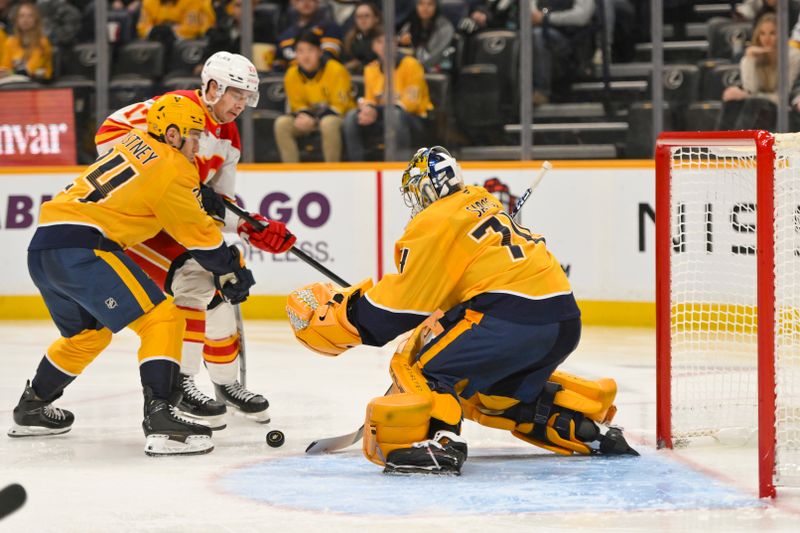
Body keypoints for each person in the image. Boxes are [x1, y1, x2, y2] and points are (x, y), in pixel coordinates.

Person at [287, 146, 638, 475]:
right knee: (492, 395)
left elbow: (400, 305)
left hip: (508, 321)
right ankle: (589, 430)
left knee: (425, 369)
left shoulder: (435, 221)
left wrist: (347, 314)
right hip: (561, 321)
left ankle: (440, 443)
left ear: (425, 190)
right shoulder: (482, 202)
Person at [8, 94, 256, 456]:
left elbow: (151, 188)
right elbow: (200, 240)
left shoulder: (132, 142)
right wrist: (233, 268)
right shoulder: (175, 167)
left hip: (44, 245)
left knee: (88, 335)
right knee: (163, 318)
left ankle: (31, 407)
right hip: (84, 247)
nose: (198, 144)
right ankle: (161, 420)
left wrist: (200, 196)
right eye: (192, 135)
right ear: (171, 135)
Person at [95, 51, 295, 430]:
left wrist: (252, 226)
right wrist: (170, 175)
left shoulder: (229, 137)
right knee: (197, 280)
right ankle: (180, 386)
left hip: (178, 222)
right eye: (236, 93)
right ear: (214, 86)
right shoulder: (177, 108)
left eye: (246, 97)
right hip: (143, 221)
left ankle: (225, 384)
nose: (240, 104)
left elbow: (219, 206)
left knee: (219, 290)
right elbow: (107, 133)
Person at [342, 28, 432, 162]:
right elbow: (370, 99)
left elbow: (411, 102)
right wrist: (367, 109)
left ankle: (400, 165)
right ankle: (358, 165)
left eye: (388, 42)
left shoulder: (411, 64)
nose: (384, 46)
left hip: (414, 118)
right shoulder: (370, 69)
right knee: (351, 117)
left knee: (394, 115)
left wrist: (376, 110)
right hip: (383, 116)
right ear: (373, 46)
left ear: (395, 44)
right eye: (379, 42)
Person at [275, 29, 354, 162]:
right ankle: (291, 172)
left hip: (339, 118)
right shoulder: (291, 74)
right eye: (300, 51)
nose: (305, 56)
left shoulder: (336, 70)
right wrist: (306, 118)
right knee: (282, 123)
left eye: (310, 50)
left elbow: (339, 107)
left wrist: (314, 119)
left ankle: (332, 171)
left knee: (327, 123)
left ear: (320, 52)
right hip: (310, 119)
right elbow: (297, 105)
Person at [719, 13, 800, 131]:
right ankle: (723, 142)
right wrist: (750, 59)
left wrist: (747, 95)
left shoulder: (793, 56)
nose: (767, 38)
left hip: (783, 110)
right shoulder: (754, 55)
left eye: (772, 33)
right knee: (732, 100)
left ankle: (742, 141)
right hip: (759, 107)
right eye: (762, 33)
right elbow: (751, 88)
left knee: (754, 102)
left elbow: (784, 96)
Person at [530, 0, 596, 106]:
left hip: (570, 41)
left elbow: (582, 17)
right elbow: (532, 11)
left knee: (537, 36)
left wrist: (546, 18)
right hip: (538, 32)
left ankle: (541, 91)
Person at [273, 0, 343, 71]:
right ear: (293, 2)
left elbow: (329, 57)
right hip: (293, 78)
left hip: (323, 77)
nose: (306, 2)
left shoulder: (330, 27)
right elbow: (278, 64)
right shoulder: (285, 35)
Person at [0, 1, 52, 81]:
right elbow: (5, 67)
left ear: (36, 20)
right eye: (21, 16)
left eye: (30, 16)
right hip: (12, 82)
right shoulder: (10, 42)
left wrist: (11, 73)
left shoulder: (42, 42)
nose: (25, 19)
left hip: (37, 84)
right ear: (16, 20)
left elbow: (31, 69)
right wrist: (5, 72)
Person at [397, 0, 454, 72]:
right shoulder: (411, 23)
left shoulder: (445, 27)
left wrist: (417, 65)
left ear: (436, 7)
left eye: (430, 4)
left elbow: (438, 54)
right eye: (421, 4)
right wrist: (401, 41)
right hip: (413, 67)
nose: (425, 8)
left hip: (437, 68)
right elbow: (397, 42)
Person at [341, 1, 381, 74]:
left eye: (367, 16)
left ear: (376, 18)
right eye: (359, 17)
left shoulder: (383, 39)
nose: (363, 19)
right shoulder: (350, 39)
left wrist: (358, 63)